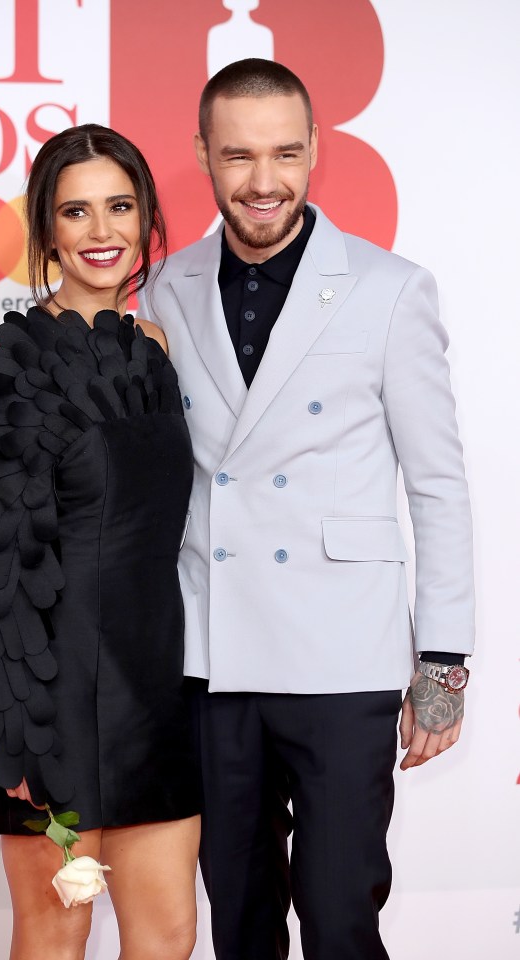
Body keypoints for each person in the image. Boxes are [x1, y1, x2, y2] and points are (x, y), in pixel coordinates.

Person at [139, 58, 474, 960]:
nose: (263, 181)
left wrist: (442, 667)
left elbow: (436, 482)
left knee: (338, 911)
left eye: (286, 154)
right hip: (214, 649)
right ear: (203, 153)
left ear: (316, 151)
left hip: (343, 650)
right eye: (239, 155)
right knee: (240, 916)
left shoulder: (390, 287)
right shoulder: (164, 287)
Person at [0, 124, 200, 960]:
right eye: (77, 212)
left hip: (156, 681)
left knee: (170, 935)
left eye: (119, 206)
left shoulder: (155, 348)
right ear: (46, 231)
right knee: (55, 931)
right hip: (55, 693)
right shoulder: (12, 368)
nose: (102, 231)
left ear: (146, 214)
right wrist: (20, 725)